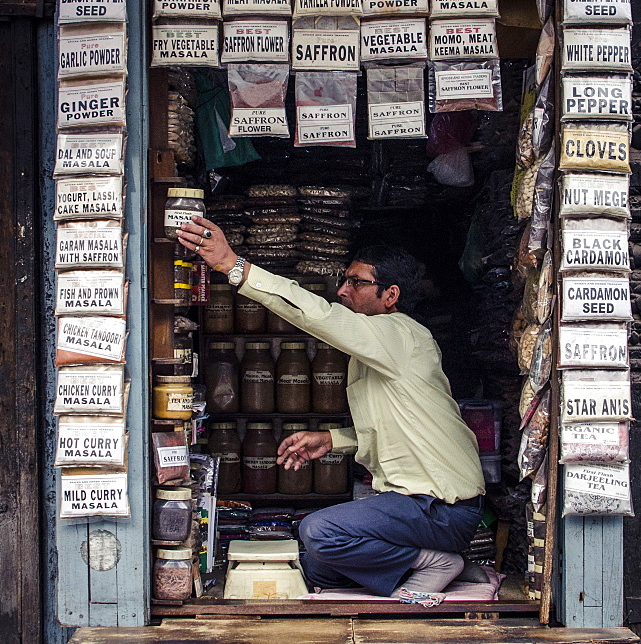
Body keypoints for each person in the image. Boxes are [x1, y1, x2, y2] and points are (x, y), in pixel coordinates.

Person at [178, 216, 486, 603]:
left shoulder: (399, 334)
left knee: (319, 532)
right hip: (418, 508)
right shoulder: (378, 349)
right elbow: (393, 426)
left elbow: (318, 315)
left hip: (441, 509)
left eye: (357, 283)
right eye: (345, 280)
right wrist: (331, 439)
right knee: (316, 563)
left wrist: (233, 265)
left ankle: (436, 563)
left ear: (390, 295)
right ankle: (441, 563)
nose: (342, 290)